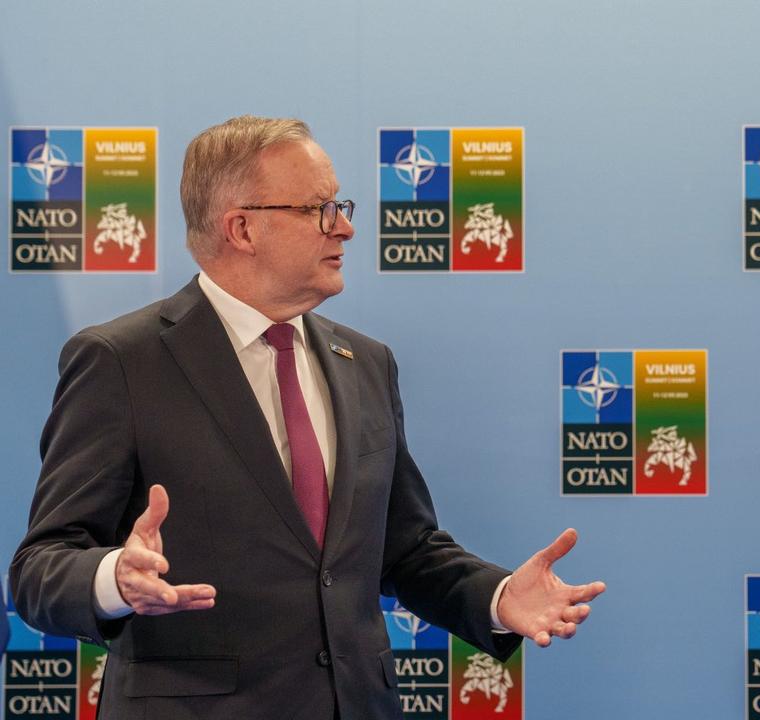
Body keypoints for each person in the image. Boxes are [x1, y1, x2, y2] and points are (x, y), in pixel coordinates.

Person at [9, 116, 606, 719]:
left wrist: (499, 597)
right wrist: (114, 577)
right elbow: (40, 569)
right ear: (242, 227)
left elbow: (406, 548)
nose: (344, 226)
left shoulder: (366, 362)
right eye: (319, 208)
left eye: (340, 205)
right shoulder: (122, 361)